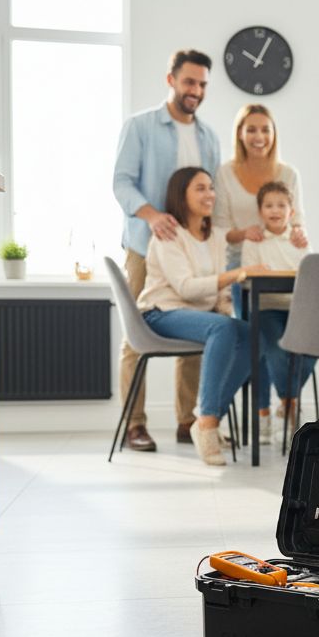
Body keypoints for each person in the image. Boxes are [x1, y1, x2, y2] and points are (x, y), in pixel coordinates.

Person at [112, 49, 222, 452]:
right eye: (189, 82)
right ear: (171, 80)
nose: (196, 90)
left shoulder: (208, 136)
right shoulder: (140, 126)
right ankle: (135, 424)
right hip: (146, 246)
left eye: (202, 84)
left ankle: (187, 419)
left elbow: (213, 193)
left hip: (193, 251)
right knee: (135, 336)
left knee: (197, 325)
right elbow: (121, 183)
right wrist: (152, 215)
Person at [136, 167, 264, 466]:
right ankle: (207, 423)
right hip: (160, 314)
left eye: (211, 188)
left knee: (250, 334)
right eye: (200, 188)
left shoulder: (216, 236)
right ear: (182, 195)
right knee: (223, 330)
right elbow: (185, 288)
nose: (210, 194)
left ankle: (209, 418)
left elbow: (215, 296)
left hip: (198, 315)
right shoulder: (168, 236)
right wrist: (237, 274)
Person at [213, 104, 308, 439]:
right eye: (251, 129)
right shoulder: (225, 173)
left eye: (265, 129)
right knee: (259, 344)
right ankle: (262, 413)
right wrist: (246, 234)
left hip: (285, 272)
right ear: (240, 133)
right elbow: (220, 228)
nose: (258, 136)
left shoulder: (288, 173)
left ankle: (285, 401)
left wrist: (298, 234)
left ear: (273, 133)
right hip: (242, 269)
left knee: (286, 344)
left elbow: (297, 223)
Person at [240, 181, 316, 439]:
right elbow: (249, 276)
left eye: (281, 205)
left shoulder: (299, 240)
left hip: (297, 310)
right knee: (276, 348)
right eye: (269, 205)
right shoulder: (254, 242)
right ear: (260, 211)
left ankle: (287, 399)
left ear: (291, 212)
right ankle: (290, 401)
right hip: (267, 308)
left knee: (315, 345)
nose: (275, 210)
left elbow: (310, 275)